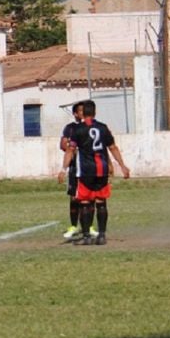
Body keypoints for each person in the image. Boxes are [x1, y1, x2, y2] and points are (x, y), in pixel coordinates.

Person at [58, 100, 131, 245]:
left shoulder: (77, 130)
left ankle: (86, 237)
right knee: (101, 202)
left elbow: (70, 150)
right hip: (102, 170)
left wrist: (63, 169)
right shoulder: (103, 128)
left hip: (86, 171)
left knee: (85, 202)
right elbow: (113, 147)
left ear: (83, 113)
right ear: (95, 112)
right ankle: (102, 235)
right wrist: (122, 165)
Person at [60, 102, 97, 239]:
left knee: (91, 197)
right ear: (75, 114)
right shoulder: (70, 128)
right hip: (75, 168)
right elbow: (63, 144)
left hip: (89, 167)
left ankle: (89, 226)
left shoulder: (94, 127)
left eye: (84, 111)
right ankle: (74, 226)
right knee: (74, 198)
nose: (83, 113)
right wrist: (69, 147)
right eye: (80, 111)